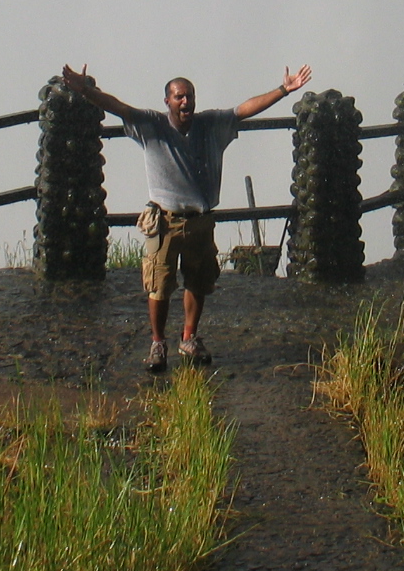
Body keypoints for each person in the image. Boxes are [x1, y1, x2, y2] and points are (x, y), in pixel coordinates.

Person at [60, 63, 312, 371]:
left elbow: (242, 110)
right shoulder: (152, 125)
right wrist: (86, 90)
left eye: (189, 96)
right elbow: (119, 107)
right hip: (164, 221)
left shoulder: (209, 125)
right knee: (159, 285)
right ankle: (157, 344)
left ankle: (189, 338)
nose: (186, 102)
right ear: (167, 101)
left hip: (200, 220)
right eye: (179, 97)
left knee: (198, 282)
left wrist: (284, 90)